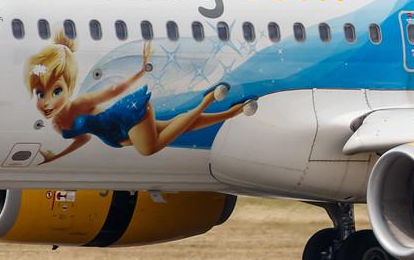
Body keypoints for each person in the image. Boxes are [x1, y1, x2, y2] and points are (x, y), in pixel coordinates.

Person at [25, 32, 248, 162]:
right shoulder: (57, 124)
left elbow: (111, 92)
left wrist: (140, 72)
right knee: (179, 127)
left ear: (68, 86)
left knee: (149, 149)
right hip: (117, 135)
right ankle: (231, 112)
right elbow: (82, 139)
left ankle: (206, 101)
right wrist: (55, 157)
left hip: (126, 116)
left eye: (56, 91)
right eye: (40, 94)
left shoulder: (80, 103)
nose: (48, 101)